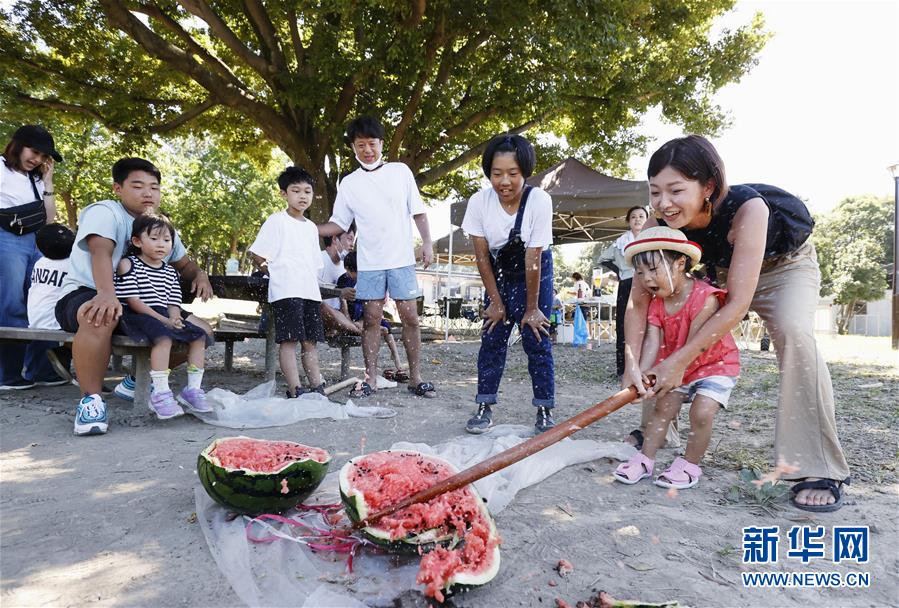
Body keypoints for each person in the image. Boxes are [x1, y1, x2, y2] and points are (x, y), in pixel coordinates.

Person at [623, 134, 850, 511]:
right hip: (714, 272)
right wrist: (633, 362)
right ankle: (657, 433)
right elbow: (639, 304)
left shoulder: (749, 209)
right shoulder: (657, 227)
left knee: (794, 334)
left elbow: (737, 304)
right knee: (672, 326)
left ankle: (816, 465)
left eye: (676, 190)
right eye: (655, 192)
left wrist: (680, 361)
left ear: (708, 186)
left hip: (782, 267)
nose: (664, 203)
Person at [55, 157, 213, 436]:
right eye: (138, 185)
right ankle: (91, 401)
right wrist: (106, 293)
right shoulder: (105, 212)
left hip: (144, 302)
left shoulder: (156, 225)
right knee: (100, 315)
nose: (148, 193)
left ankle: (133, 382)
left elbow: (184, 264)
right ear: (118, 188)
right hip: (87, 291)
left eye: (154, 187)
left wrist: (200, 274)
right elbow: (100, 251)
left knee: (202, 330)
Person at [318, 115, 436, 398]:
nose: (367, 150)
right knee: (371, 318)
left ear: (382, 144)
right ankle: (369, 378)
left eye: (372, 143)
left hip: (402, 260)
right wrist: (307, 227)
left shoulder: (401, 172)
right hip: (370, 264)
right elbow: (338, 223)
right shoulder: (349, 183)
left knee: (410, 317)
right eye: (361, 145)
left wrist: (428, 243)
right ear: (353, 148)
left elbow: (418, 211)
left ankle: (415, 377)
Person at [612, 227, 739, 488]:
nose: (646, 279)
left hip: (714, 365)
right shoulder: (657, 301)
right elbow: (652, 341)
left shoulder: (705, 297)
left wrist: (668, 372)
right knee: (662, 409)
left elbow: (694, 346)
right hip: (675, 365)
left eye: (653, 270)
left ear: (680, 263)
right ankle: (645, 459)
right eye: (640, 273)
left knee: (701, 413)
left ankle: (690, 464)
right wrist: (640, 376)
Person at [461, 134, 556, 434]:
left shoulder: (539, 200)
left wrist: (532, 309)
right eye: (497, 173)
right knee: (491, 337)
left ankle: (544, 409)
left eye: (513, 174)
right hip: (498, 274)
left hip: (536, 273)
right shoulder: (479, 202)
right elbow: (482, 258)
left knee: (536, 338)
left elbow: (533, 258)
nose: (504, 181)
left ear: (525, 172)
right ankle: (484, 406)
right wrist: (496, 302)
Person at [115, 214, 212, 419]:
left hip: (163, 315)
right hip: (138, 315)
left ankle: (192, 390)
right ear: (137, 241)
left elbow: (172, 303)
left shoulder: (169, 272)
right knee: (163, 338)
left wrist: (175, 318)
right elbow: (134, 302)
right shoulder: (128, 264)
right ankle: (160, 393)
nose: (162, 245)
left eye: (167, 240)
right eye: (155, 239)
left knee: (198, 336)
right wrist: (164, 321)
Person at [249, 166, 326, 398]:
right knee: (289, 341)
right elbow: (257, 255)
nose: (302, 196)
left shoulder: (312, 228)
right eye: (296, 191)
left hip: (310, 292)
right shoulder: (276, 221)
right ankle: (295, 388)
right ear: (284, 194)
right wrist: (274, 272)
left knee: (310, 342)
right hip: (286, 291)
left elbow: (314, 264)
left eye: (307, 191)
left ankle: (317, 385)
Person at [0, 125, 68, 389]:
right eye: (34, 152)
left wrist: (48, 182)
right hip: (7, 239)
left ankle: (41, 369)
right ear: (18, 144)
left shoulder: (36, 178)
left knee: (43, 299)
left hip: (37, 242)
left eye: (42, 156)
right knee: (11, 303)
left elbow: (49, 219)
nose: (37, 159)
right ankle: (8, 373)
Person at [336, 251, 406, 381]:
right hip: (353, 312)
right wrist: (348, 320)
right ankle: (370, 329)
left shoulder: (366, 279)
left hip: (365, 311)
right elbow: (343, 302)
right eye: (353, 272)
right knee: (364, 321)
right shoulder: (344, 280)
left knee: (386, 325)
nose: (354, 275)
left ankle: (396, 357)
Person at [599, 206, 648, 378]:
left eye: (641, 216)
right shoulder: (621, 241)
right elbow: (603, 259)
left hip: (647, 283)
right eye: (633, 217)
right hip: (627, 283)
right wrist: (619, 271)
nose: (637, 219)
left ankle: (644, 365)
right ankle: (622, 368)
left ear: (647, 219)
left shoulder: (650, 238)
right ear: (628, 220)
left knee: (648, 323)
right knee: (623, 324)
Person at [27, 223, 76, 381]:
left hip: (35, 319)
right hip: (56, 322)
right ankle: (71, 358)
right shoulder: (73, 265)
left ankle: (43, 372)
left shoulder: (40, 263)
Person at [319, 227, 361, 337]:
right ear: (334, 239)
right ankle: (358, 331)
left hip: (341, 315)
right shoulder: (319, 260)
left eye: (353, 240)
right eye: (349, 239)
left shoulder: (345, 266)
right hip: (322, 315)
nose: (352, 244)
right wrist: (340, 292)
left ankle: (354, 327)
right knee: (321, 305)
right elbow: (310, 291)